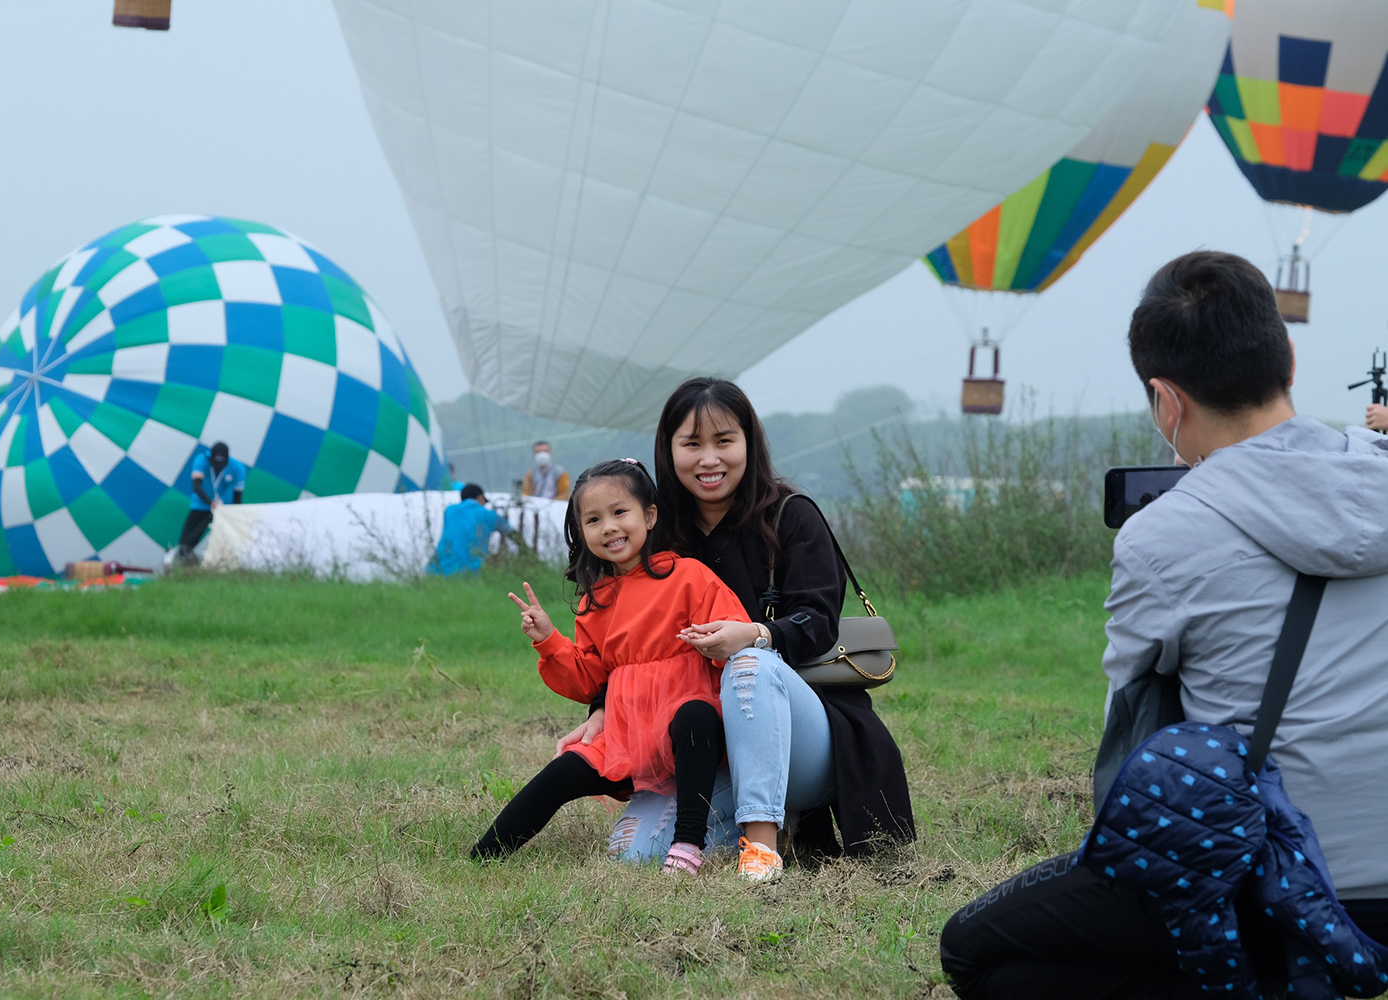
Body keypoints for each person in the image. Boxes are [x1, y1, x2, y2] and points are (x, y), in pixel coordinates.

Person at [939, 250, 1388, 999]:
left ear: (1165, 400)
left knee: (978, 952)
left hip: (1279, 883)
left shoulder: (1164, 533)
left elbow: (1135, 724)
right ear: (1290, 359)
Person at [560, 378, 916, 881]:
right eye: (691, 444)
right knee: (633, 853)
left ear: (749, 442)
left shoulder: (792, 517)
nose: (709, 459)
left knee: (749, 664)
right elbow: (624, 638)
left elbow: (816, 624)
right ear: (669, 450)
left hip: (802, 736)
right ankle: (763, 816)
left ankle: (762, 845)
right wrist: (602, 708)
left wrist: (754, 635)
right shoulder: (658, 533)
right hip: (709, 742)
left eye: (724, 441)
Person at [471, 459, 751, 874]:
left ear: (650, 515)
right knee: (565, 768)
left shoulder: (690, 576)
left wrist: (712, 643)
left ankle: (688, 845)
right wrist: (549, 638)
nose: (609, 527)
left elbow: (737, 636)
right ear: (581, 532)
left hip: (693, 725)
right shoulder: (596, 600)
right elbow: (589, 680)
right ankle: (483, 856)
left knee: (694, 715)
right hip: (628, 732)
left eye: (620, 512)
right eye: (594, 519)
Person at [426, 484, 522, 575]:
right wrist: (526, 551)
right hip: (469, 573)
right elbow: (510, 531)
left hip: (437, 570)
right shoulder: (488, 515)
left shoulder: (450, 511)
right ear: (480, 497)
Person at [176, 441, 246, 561]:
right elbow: (196, 487)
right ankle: (181, 564)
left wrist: (234, 513)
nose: (218, 466)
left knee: (231, 541)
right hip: (201, 505)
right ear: (210, 457)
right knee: (186, 542)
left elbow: (237, 496)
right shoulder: (201, 460)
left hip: (225, 510)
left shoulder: (237, 468)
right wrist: (210, 502)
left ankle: (229, 564)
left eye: (222, 463)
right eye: (215, 463)